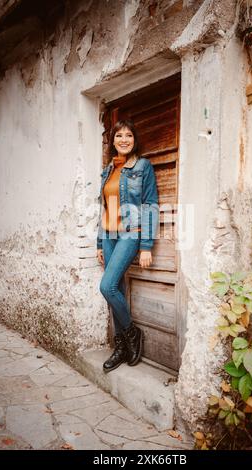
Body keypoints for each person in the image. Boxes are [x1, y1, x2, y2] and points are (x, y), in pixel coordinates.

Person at [96, 119, 159, 373]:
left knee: (106, 286)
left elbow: (150, 205)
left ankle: (132, 334)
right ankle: (121, 346)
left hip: (131, 233)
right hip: (109, 235)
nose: (124, 139)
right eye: (119, 135)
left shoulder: (143, 166)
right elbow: (104, 209)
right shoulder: (108, 170)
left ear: (135, 140)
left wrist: (146, 246)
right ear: (112, 140)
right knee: (116, 289)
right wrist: (100, 241)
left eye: (129, 135)